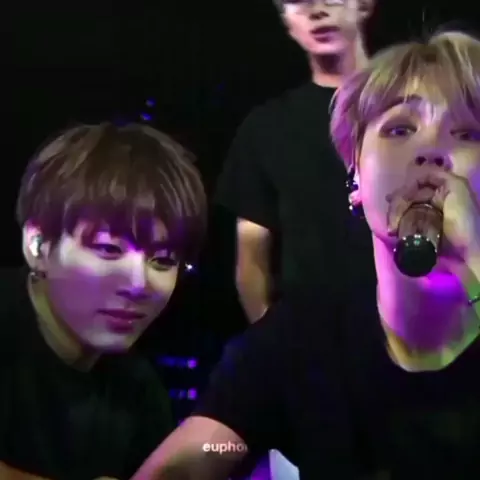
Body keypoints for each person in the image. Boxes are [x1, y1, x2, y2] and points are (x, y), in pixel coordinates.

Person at [131, 30, 480, 479]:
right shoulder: (300, 338)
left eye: (467, 133)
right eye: (400, 129)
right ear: (355, 174)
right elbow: (200, 454)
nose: (431, 151)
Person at [0, 122, 207, 480]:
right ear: (37, 246)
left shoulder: (140, 393)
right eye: (108, 249)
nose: (138, 284)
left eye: (162, 260)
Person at [215, 0, 376, 325]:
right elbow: (251, 262)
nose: (317, 10)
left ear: (364, 5)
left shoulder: (417, 106)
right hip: (310, 339)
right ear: (286, 22)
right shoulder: (267, 127)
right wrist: (272, 339)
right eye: (299, 2)